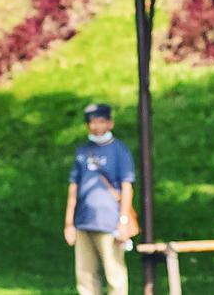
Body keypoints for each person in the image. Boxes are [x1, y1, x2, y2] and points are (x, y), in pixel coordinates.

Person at [64, 102, 135, 295]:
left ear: (110, 123)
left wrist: (123, 220)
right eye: (92, 122)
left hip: (109, 221)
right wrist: (69, 223)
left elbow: (127, 186)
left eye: (101, 121)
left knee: (115, 274)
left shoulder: (119, 150)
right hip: (84, 220)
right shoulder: (82, 151)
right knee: (85, 276)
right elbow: (74, 186)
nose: (97, 126)